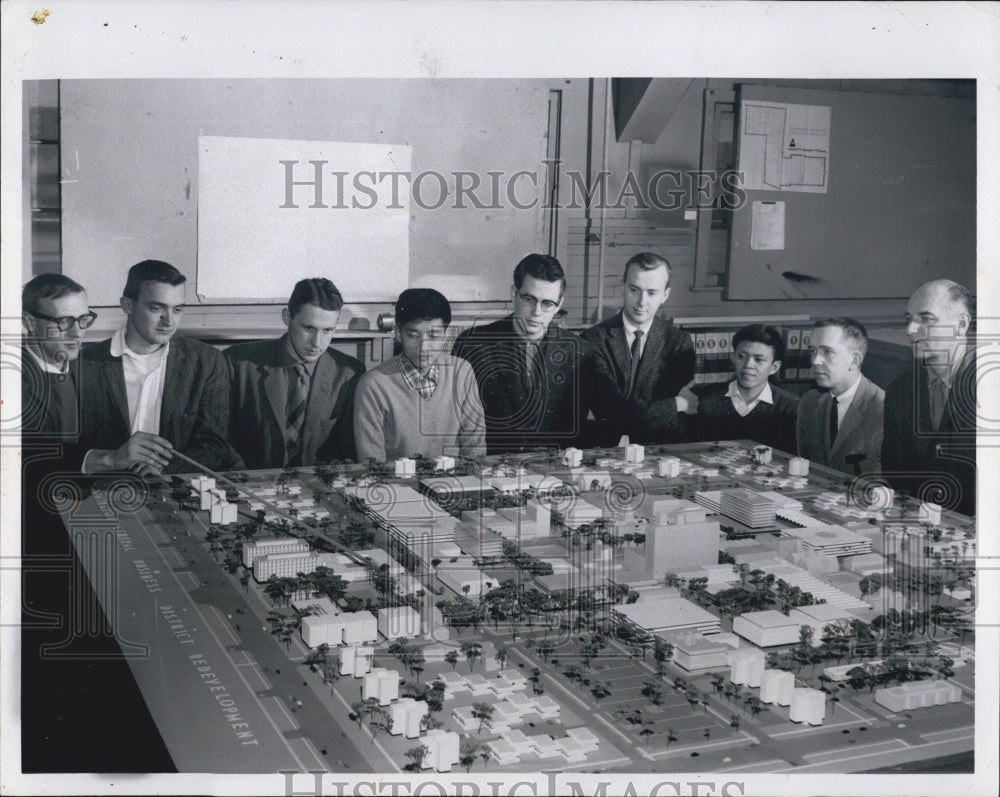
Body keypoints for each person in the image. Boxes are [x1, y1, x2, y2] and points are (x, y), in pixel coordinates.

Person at [81, 259, 242, 474]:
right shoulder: (82, 364)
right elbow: (67, 447)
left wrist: (163, 468)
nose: (169, 321)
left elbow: (215, 445)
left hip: (176, 487)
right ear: (128, 305)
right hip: (105, 488)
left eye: (177, 309)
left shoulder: (208, 362)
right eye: (157, 308)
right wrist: (110, 458)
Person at [452, 254, 608, 453]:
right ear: (513, 294)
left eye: (547, 303)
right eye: (529, 299)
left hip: (557, 474)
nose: (537, 312)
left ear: (559, 304)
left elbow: (602, 422)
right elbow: (453, 424)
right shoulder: (472, 344)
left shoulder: (581, 352)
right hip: (491, 473)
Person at [225, 278, 365, 467]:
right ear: (287, 317)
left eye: (328, 330)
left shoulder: (348, 373)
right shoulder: (238, 365)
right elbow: (222, 442)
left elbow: (347, 450)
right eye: (309, 328)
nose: (317, 342)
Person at [354, 288, 485, 462]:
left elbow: (475, 451)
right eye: (412, 335)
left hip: (453, 484)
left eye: (433, 335)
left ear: (446, 335)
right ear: (398, 333)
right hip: (396, 487)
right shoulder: (374, 385)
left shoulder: (462, 372)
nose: (424, 348)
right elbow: (371, 463)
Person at [580, 252, 697, 444]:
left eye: (652, 293)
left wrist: (668, 410)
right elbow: (610, 411)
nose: (642, 302)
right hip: (603, 450)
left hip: (658, 451)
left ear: (665, 295)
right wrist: (677, 404)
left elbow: (676, 422)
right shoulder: (592, 340)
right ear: (622, 287)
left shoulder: (679, 343)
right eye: (634, 290)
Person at [883, 280, 976, 515]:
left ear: (961, 324)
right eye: (909, 319)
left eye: (926, 318)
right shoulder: (899, 391)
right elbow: (895, 476)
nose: (911, 329)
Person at [690, 324, 799, 452]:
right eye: (742, 356)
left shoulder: (791, 406)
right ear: (732, 358)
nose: (748, 365)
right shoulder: (705, 399)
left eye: (758, 360)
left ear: (774, 367)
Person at [796, 317, 884, 476]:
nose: (816, 360)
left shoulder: (883, 408)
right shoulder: (809, 401)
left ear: (855, 360)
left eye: (827, 352)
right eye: (813, 350)